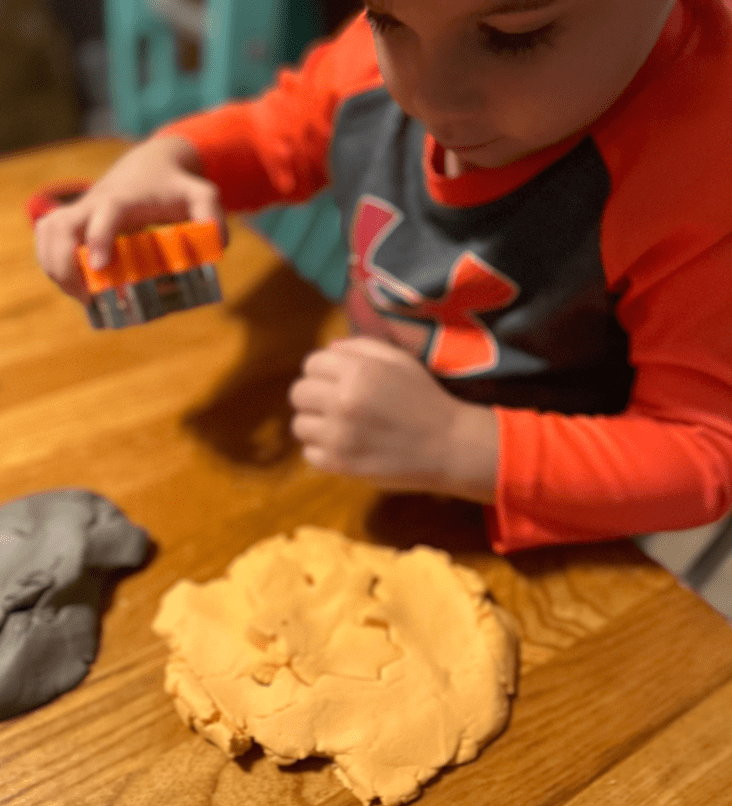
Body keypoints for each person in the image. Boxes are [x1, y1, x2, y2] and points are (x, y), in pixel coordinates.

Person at [34, 0, 732, 553]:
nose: (429, 95)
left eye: (514, 32)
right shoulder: (382, 66)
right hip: (369, 465)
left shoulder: (704, 176)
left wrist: (457, 448)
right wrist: (177, 159)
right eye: (386, 19)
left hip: (555, 524)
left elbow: (703, 454)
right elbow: (287, 128)